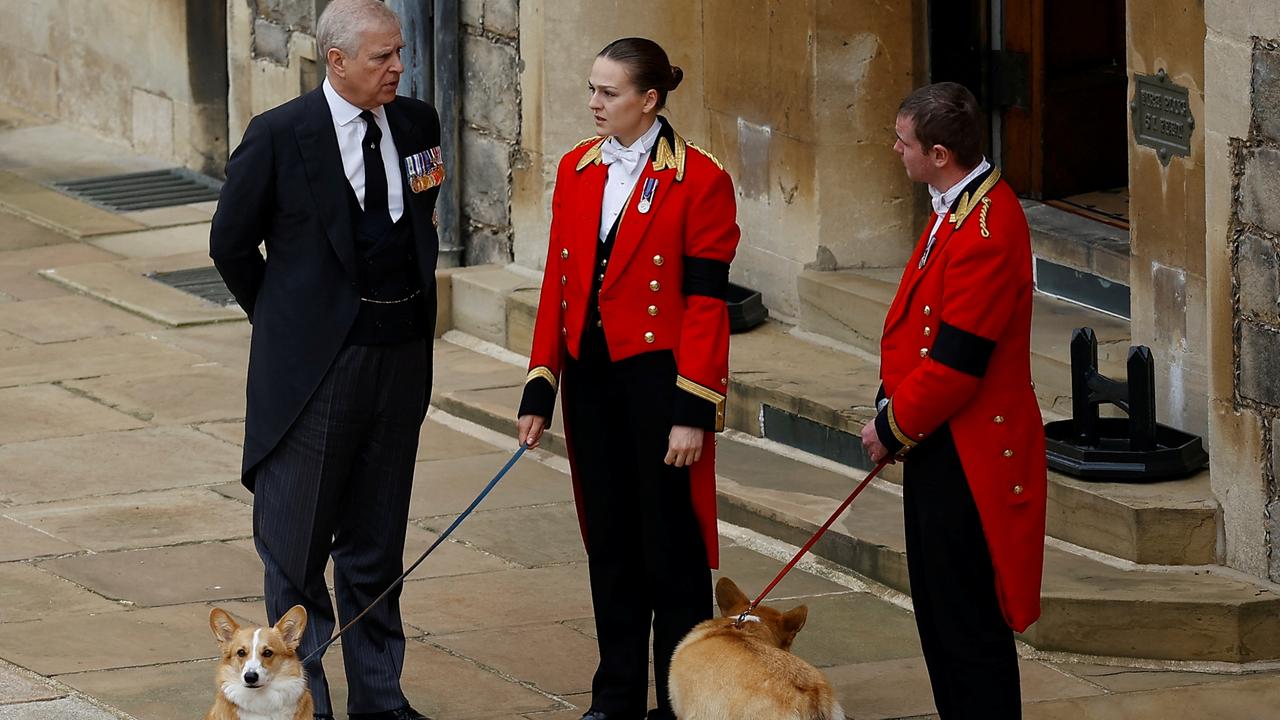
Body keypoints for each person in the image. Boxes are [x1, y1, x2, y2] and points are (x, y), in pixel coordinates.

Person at [209, 0, 444, 717]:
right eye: (382, 57)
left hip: (398, 362)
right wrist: (292, 326)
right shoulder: (279, 135)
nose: (398, 67)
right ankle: (302, 702)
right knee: (297, 549)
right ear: (336, 61)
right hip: (315, 375)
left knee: (376, 544)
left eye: (400, 52)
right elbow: (229, 245)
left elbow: (423, 220)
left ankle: (382, 698)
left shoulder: (416, 123)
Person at [515, 37, 740, 720]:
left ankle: (679, 705)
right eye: (591, 88)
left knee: (670, 553)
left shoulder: (700, 178)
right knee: (608, 543)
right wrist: (540, 382)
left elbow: (706, 304)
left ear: (650, 99)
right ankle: (614, 700)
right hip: (591, 383)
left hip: (660, 386)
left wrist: (693, 408)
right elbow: (559, 280)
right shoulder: (576, 168)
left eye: (608, 92)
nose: (593, 102)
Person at [859, 82, 1047, 718]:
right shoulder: (957, 208)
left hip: (970, 451)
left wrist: (892, 426)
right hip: (940, 440)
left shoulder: (987, 226)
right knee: (939, 611)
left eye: (904, 142)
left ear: (939, 153)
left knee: (966, 621)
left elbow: (959, 363)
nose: (896, 150)